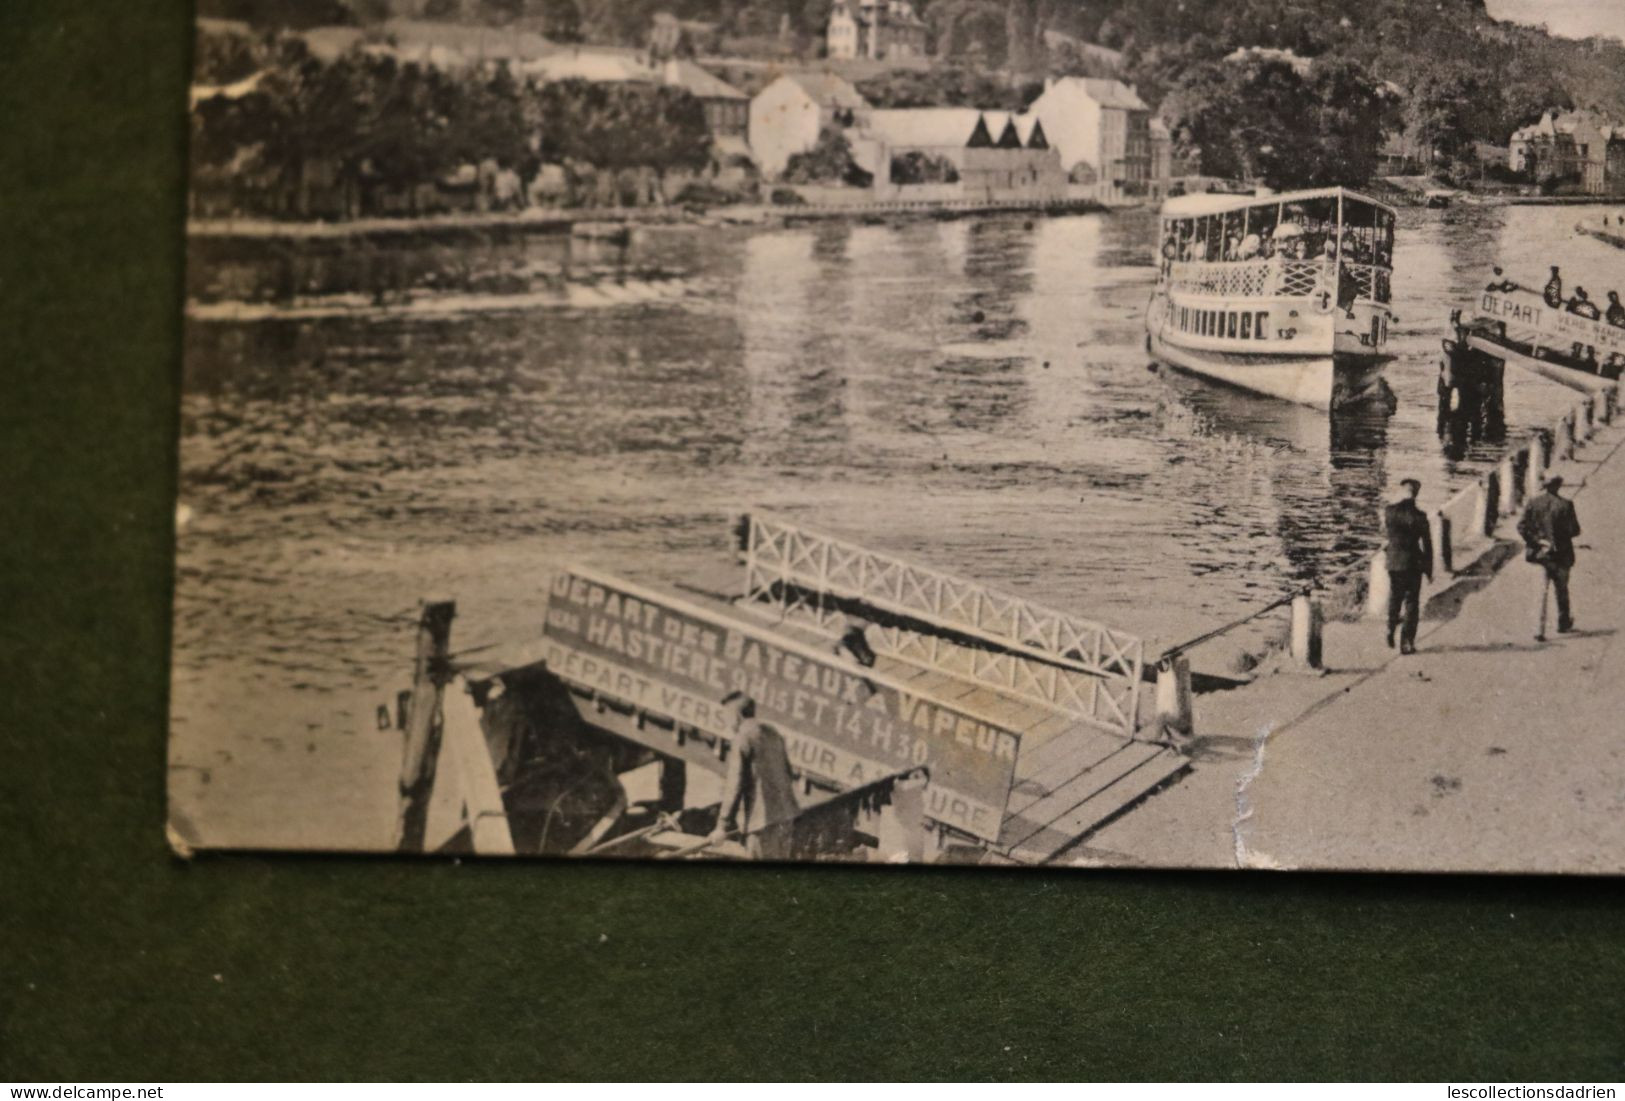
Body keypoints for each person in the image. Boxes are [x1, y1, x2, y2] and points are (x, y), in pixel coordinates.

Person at [709, 692, 800, 857]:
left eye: (726, 716)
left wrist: (721, 826)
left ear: (736, 715)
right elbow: (788, 772)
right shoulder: (773, 733)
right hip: (787, 818)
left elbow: (734, 785)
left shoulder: (742, 738)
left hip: (761, 824)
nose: (726, 722)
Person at [1519, 475, 1582, 641]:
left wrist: (1537, 540)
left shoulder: (1533, 503)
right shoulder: (1566, 505)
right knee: (1561, 589)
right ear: (1558, 486)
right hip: (1561, 554)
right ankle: (1563, 623)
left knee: (1541, 590)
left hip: (1540, 554)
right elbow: (1575, 530)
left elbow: (1522, 526)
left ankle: (1539, 629)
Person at [1383, 478, 1434, 655]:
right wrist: (1429, 570)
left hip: (1394, 562)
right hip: (1413, 563)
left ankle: (1390, 628)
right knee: (1412, 602)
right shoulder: (1420, 517)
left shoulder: (1389, 512)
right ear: (1416, 495)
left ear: (1402, 492)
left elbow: (1389, 537)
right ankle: (1406, 642)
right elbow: (1428, 546)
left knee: (1395, 598)